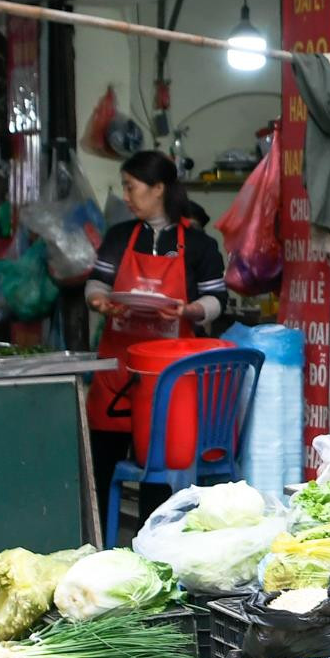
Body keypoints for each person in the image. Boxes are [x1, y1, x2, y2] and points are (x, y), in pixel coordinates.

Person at [82, 149, 229, 522]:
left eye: (131, 187)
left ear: (158, 187)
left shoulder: (199, 245)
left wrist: (188, 310)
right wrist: (101, 302)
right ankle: (99, 536)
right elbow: (96, 284)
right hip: (116, 372)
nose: (126, 197)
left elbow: (217, 301)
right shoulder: (119, 237)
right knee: (103, 464)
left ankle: (154, 538)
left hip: (168, 379)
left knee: (159, 471)